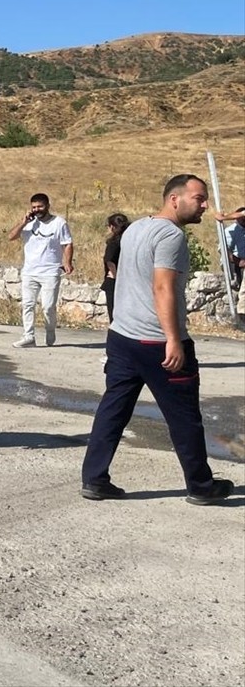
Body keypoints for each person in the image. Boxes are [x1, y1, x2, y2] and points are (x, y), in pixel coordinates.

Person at [81, 174, 234, 506]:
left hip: (122, 338)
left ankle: (94, 479)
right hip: (156, 343)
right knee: (184, 416)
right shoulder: (171, 236)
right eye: (199, 198)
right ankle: (200, 486)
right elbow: (162, 286)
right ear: (175, 199)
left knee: (113, 410)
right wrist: (173, 339)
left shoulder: (135, 228)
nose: (205, 205)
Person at [8, 192, 73, 347]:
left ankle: (50, 331)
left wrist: (67, 261)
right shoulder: (29, 223)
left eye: (40, 206)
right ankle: (28, 336)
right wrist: (23, 222)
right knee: (28, 304)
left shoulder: (59, 223)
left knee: (48, 307)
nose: (37, 209)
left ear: (47, 206)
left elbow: (67, 243)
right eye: (34, 207)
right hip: (30, 271)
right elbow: (11, 236)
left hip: (50, 272)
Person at [101, 213, 130, 324]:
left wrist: (115, 275)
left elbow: (110, 261)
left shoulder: (113, 243)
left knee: (113, 312)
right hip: (127, 279)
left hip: (114, 281)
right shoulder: (129, 240)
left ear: (112, 227)